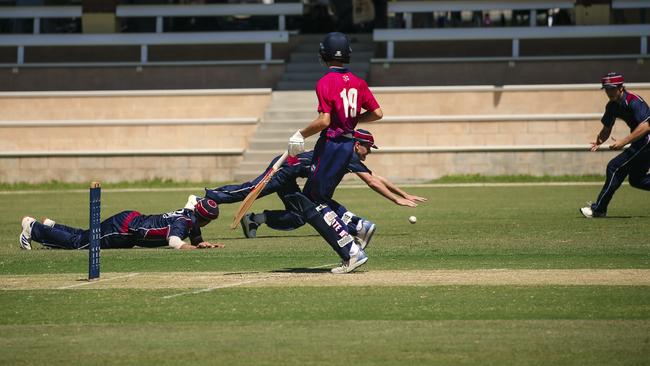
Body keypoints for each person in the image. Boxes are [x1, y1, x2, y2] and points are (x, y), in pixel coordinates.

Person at [287, 32, 383, 274]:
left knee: (312, 200)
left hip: (331, 145)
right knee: (317, 196)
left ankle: (350, 251)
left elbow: (324, 120)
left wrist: (300, 134)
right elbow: (378, 113)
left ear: (323, 54)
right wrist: (351, 119)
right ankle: (359, 227)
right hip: (347, 146)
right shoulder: (359, 82)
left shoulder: (325, 82)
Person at [238, 129, 426, 240]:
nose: (368, 152)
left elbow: (375, 176)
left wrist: (404, 194)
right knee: (301, 214)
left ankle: (254, 219)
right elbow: (371, 181)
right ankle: (228, 204)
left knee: (299, 217)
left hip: (291, 171)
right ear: (357, 144)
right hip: (285, 169)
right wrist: (395, 200)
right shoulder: (348, 154)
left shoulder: (349, 154)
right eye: (367, 148)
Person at [19, 197, 224, 250]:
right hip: (123, 229)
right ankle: (33, 228)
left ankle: (52, 227)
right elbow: (174, 242)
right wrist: (190, 248)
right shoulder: (183, 222)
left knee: (85, 235)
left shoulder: (191, 215)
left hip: (129, 222)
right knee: (81, 244)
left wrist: (201, 244)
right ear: (206, 219)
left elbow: (196, 236)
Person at [580, 72, 650, 218]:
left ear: (621, 88)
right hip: (641, 143)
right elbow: (607, 128)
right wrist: (599, 141)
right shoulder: (612, 106)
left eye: (612, 88)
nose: (609, 92)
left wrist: (623, 142)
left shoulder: (634, 101)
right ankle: (599, 209)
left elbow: (646, 127)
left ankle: (598, 210)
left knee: (614, 167)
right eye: (606, 89)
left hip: (647, 141)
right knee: (637, 180)